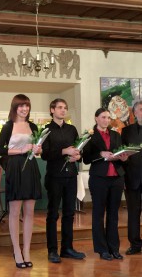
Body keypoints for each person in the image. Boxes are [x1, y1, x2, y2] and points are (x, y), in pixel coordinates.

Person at [0, 94, 42, 268]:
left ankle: (27, 250)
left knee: (30, 211)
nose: (24, 109)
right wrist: (21, 149)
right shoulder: (8, 126)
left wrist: (37, 149)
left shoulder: (33, 126)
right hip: (15, 168)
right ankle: (16, 250)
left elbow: (36, 150)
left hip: (30, 167)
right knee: (15, 211)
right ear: (15, 107)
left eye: (27, 106)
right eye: (21, 106)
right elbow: (0, 149)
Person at [41, 98, 85, 263]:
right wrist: (63, 151)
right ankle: (52, 250)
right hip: (54, 177)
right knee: (53, 214)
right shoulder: (46, 130)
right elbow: (44, 154)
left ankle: (67, 248)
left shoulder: (72, 129)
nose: (63, 110)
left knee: (69, 213)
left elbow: (80, 150)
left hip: (71, 176)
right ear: (52, 110)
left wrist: (78, 156)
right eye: (59, 107)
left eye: (65, 108)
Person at [83, 108, 127, 260]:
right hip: (99, 178)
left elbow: (119, 152)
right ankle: (102, 249)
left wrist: (123, 156)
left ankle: (114, 248)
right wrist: (100, 154)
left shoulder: (115, 134)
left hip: (116, 178)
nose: (106, 120)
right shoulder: (90, 135)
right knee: (98, 214)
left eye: (108, 117)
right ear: (96, 118)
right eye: (103, 117)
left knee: (114, 215)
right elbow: (86, 159)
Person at [121, 100, 142, 255]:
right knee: (133, 213)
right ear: (134, 113)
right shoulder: (126, 131)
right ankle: (135, 244)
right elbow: (122, 154)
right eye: (140, 109)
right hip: (132, 178)